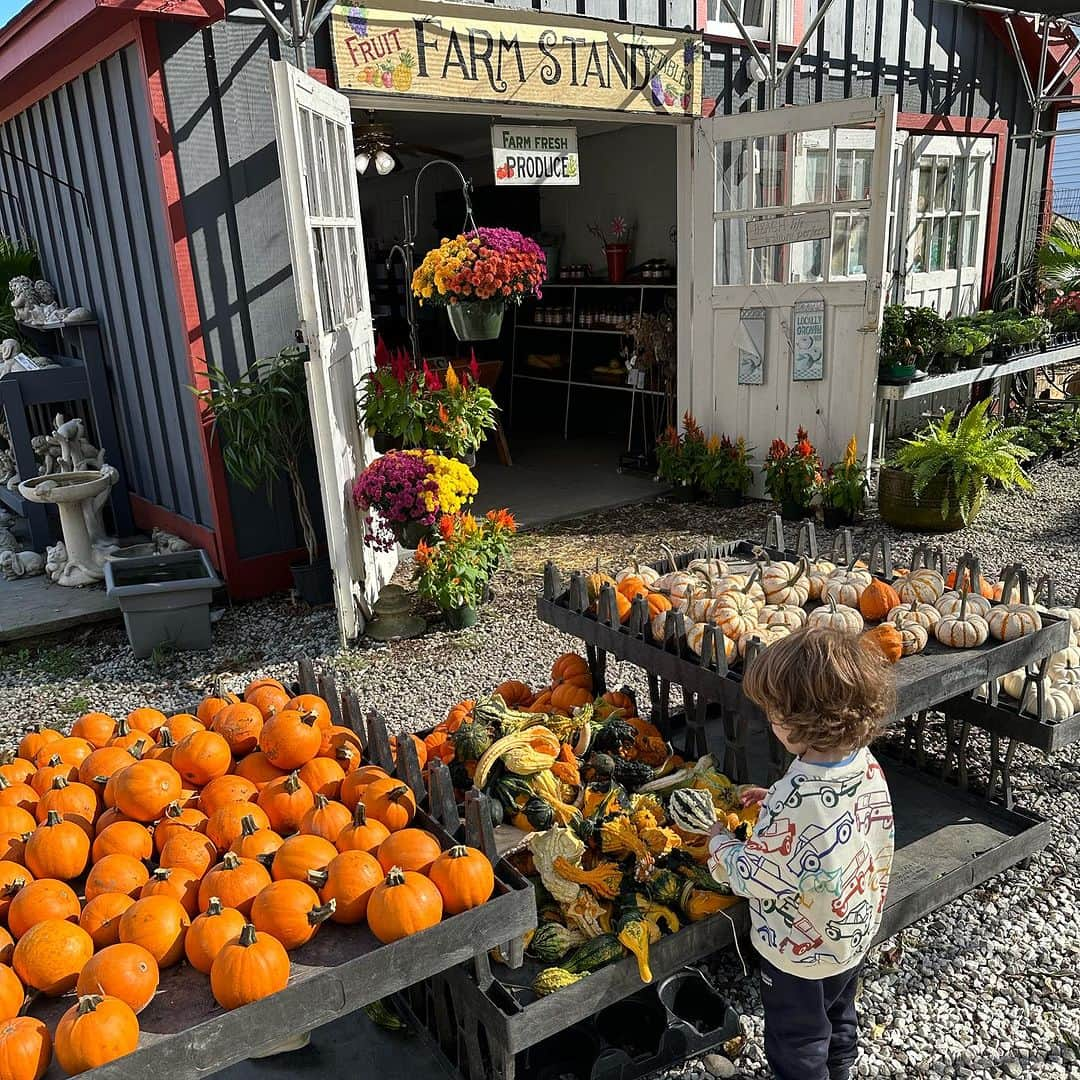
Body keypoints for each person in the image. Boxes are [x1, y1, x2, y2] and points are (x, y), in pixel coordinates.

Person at [707, 627, 895, 1080]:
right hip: (852, 931)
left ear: (803, 721)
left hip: (799, 949)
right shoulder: (862, 760)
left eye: (773, 713)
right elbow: (834, 817)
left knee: (798, 1038)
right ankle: (841, 1070)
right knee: (839, 1016)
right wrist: (775, 797)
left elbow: (755, 875)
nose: (770, 722)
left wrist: (719, 845)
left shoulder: (797, 798)